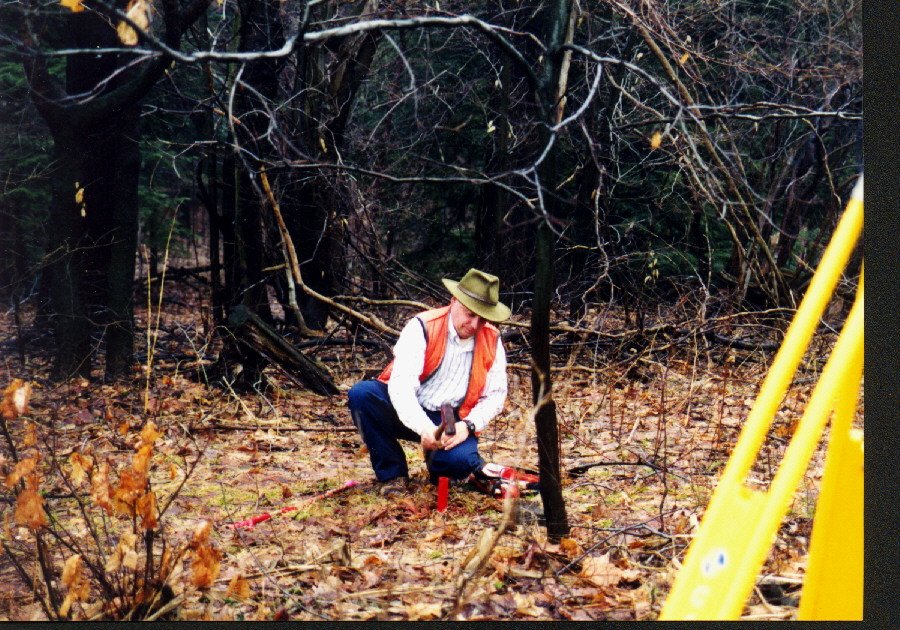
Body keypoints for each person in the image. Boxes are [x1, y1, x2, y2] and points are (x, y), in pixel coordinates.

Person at [348, 268, 511, 496]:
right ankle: (393, 475)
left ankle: (446, 466)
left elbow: (495, 395)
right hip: (406, 409)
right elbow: (402, 386)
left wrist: (469, 425)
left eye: (482, 318)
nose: (475, 324)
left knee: (458, 463)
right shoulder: (422, 326)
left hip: (452, 419)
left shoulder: (492, 339)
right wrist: (424, 428)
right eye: (469, 314)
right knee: (362, 395)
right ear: (454, 301)